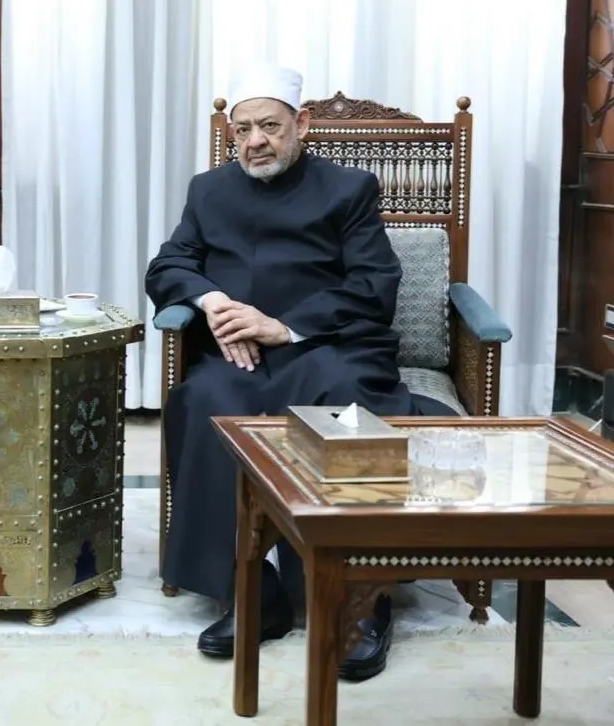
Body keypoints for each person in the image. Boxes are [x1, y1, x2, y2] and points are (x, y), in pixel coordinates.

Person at [144, 65, 456, 683]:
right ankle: (251, 591)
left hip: (328, 346)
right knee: (203, 398)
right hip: (240, 355)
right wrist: (213, 302)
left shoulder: (349, 188)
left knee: (347, 405)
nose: (255, 141)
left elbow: (375, 284)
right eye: (242, 130)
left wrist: (282, 327)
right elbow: (169, 265)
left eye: (269, 126)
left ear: (302, 124)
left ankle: (363, 598)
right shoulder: (209, 191)